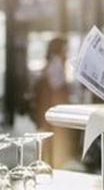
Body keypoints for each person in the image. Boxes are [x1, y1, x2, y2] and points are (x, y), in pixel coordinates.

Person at [29, 37, 75, 167]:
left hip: (46, 108)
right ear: (59, 48)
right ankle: (53, 167)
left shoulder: (51, 62)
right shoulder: (57, 63)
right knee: (55, 141)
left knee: (49, 141)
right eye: (65, 48)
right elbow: (57, 88)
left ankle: (48, 165)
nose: (67, 51)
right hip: (53, 109)